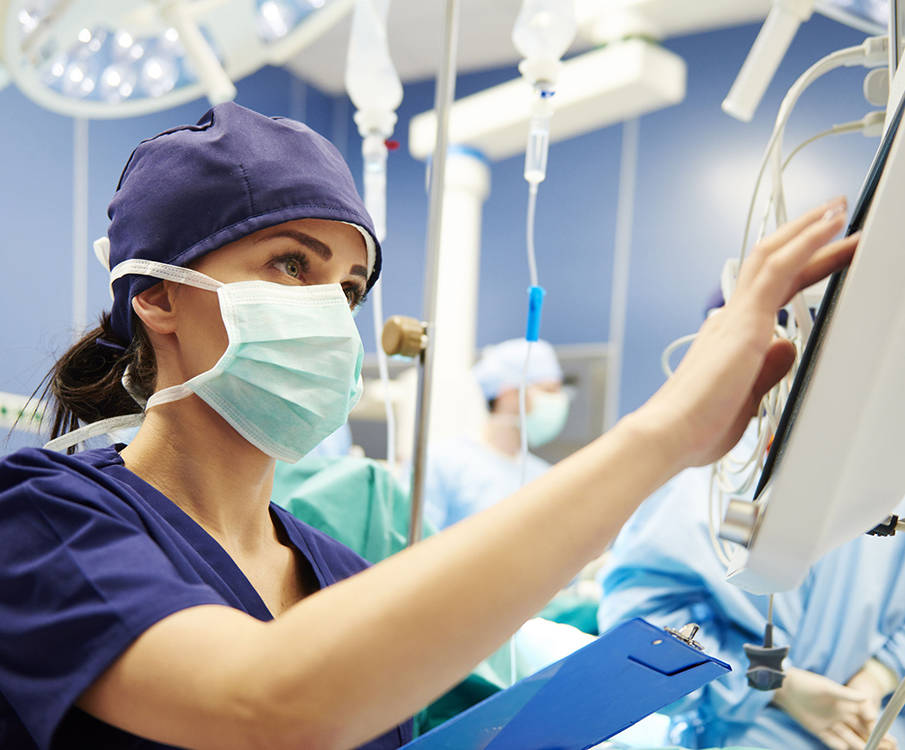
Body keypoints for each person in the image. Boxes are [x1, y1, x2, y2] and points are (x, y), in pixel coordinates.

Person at [0, 100, 858, 750]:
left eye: (347, 288)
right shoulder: (47, 520)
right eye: (290, 262)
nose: (332, 314)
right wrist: (664, 433)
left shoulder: (338, 572)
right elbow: (263, 704)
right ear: (155, 294)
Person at [597, 454, 905, 750]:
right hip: (747, 735)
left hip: (879, 730)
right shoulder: (716, 474)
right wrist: (774, 682)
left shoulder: (892, 487)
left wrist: (877, 678)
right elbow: (643, 632)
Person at [425, 338, 568, 529]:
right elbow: (413, 548)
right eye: (548, 390)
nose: (558, 400)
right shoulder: (443, 463)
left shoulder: (545, 477)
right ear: (508, 394)